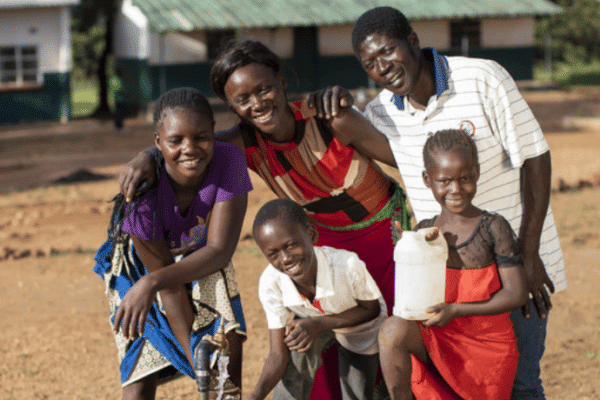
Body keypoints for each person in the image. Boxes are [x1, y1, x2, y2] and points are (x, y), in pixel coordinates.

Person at [118, 40, 412, 400]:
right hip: (321, 245)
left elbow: (405, 163)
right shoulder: (245, 143)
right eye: (243, 100)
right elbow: (186, 145)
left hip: (385, 235)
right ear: (232, 108)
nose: (257, 104)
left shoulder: (330, 118)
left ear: (282, 81)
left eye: (264, 89)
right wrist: (146, 156)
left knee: (392, 330)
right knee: (334, 345)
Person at [310, 7, 567, 398]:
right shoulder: (382, 114)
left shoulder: (482, 78)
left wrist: (529, 255)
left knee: (519, 385)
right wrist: (334, 100)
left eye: (388, 52)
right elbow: (346, 130)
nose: (383, 67)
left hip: (514, 267)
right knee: (449, 384)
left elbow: (534, 157)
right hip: (446, 282)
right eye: (370, 63)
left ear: (413, 41)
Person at [93, 87, 252, 399]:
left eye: (201, 137)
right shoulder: (140, 197)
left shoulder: (229, 162)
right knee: (140, 366)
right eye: (175, 140)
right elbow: (167, 283)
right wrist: (198, 368)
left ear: (214, 134)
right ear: (158, 142)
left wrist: (152, 282)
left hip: (203, 257)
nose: (189, 149)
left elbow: (219, 251)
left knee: (223, 337)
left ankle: (226, 392)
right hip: (138, 268)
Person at [379, 129, 528, 399]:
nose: (456, 189)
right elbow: (413, 299)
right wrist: (410, 249)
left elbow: (516, 293)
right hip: (439, 336)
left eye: (465, 178)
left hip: (486, 347)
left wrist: (456, 310)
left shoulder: (493, 227)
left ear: (477, 173)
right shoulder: (425, 229)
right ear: (427, 179)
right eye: (444, 180)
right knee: (393, 329)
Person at [249, 198, 387, 400]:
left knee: (355, 393)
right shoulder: (271, 282)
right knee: (294, 343)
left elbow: (371, 310)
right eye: (273, 253)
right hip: (312, 320)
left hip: (359, 325)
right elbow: (277, 355)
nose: (285, 258)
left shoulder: (346, 266)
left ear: (311, 235)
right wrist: (255, 395)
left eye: (290, 245)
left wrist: (318, 324)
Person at [110, 68, 127, 133]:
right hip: (118, 99)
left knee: (121, 113)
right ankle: (119, 126)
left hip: (121, 99)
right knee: (120, 113)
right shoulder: (115, 80)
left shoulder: (119, 79)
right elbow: (117, 89)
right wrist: (123, 92)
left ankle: (118, 126)